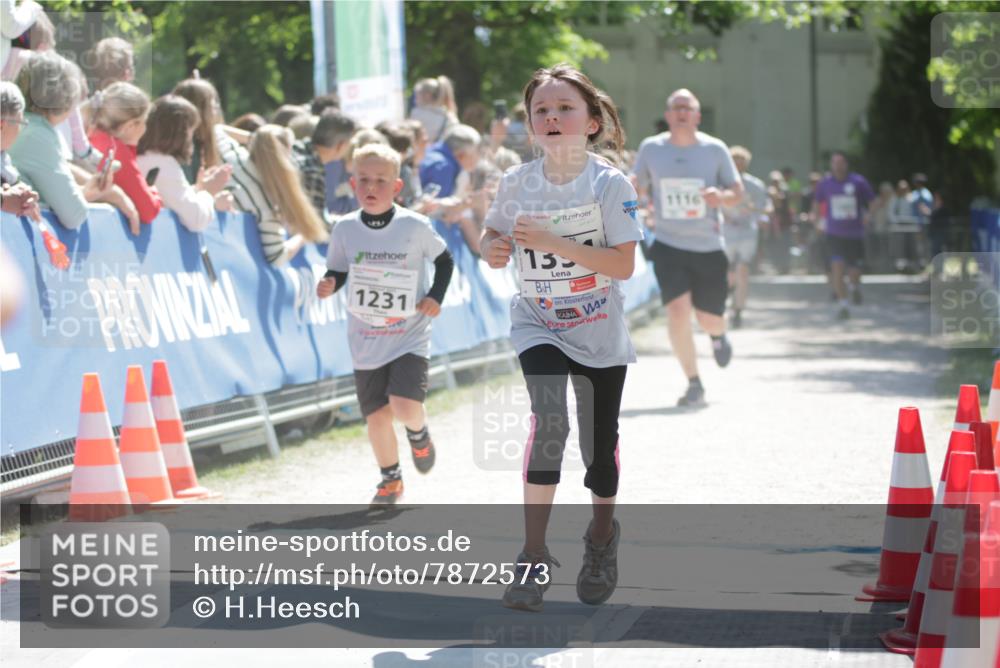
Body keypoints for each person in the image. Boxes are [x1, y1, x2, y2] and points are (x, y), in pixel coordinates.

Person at [481, 64, 642, 612]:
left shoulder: (609, 184)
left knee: (600, 448)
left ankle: (601, 537)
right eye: (541, 111)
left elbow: (622, 265)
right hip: (539, 321)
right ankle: (532, 556)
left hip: (598, 328)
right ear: (530, 125)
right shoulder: (516, 182)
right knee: (550, 423)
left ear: (592, 122)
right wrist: (492, 248)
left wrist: (554, 241)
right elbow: (493, 232)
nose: (551, 118)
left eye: (565, 108)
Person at [316, 143, 454, 508]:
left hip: (409, 333)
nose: (371, 187)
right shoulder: (345, 228)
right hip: (365, 336)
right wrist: (330, 283)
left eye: (380, 181)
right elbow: (338, 269)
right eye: (363, 180)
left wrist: (435, 297)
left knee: (404, 406)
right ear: (352, 184)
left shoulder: (414, 225)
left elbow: (445, 261)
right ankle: (391, 480)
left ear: (396, 187)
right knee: (377, 417)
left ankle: (418, 434)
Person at [632, 88, 743, 407]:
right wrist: (630, 189)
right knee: (678, 311)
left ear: (697, 116)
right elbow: (636, 185)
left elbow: (736, 191)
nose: (682, 112)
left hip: (708, 245)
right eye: (676, 107)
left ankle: (718, 335)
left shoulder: (715, 149)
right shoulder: (651, 148)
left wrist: (721, 197)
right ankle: (694, 382)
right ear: (668, 115)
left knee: (709, 318)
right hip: (669, 243)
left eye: (687, 107)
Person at [8, 52, 137, 233]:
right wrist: (101, 193)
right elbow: (74, 215)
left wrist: (89, 191)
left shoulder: (25, 126)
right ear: (66, 99)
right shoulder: (39, 135)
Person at [228, 124, 327, 265]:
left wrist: (259, 138)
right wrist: (302, 236)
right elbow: (277, 257)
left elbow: (216, 129)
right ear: (288, 152)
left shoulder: (233, 157)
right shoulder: (267, 203)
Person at [136, 95, 233, 232]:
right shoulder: (164, 165)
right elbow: (196, 219)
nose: (191, 139)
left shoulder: (146, 158)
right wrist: (207, 192)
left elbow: (174, 198)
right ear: (181, 133)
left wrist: (198, 188)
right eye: (191, 132)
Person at [811, 151, 875, 320]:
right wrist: (817, 221)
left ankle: (854, 288)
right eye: (835, 163)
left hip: (855, 233)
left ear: (846, 164)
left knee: (854, 271)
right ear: (831, 165)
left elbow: (873, 201)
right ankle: (843, 305)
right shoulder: (825, 184)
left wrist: (868, 215)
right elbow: (817, 203)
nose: (838, 166)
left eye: (841, 162)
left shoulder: (858, 181)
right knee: (837, 267)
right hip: (834, 234)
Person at [88, 82, 163, 224]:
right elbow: (148, 211)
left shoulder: (91, 137)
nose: (145, 128)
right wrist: (153, 191)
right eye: (144, 121)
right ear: (130, 125)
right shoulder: (116, 152)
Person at [722, 146, 771, 328]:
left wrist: (761, 216)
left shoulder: (754, 185)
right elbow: (714, 206)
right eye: (735, 162)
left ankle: (738, 309)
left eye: (741, 162)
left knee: (743, 269)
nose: (738, 165)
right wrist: (724, 216)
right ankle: (729, 292)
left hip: (747, 232)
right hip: (726, 233)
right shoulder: (721, 183)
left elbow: (764, 206)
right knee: (728, 270)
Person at [172, 78, 249, 181]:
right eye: (213, 105)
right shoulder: (184, 149)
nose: (216, 110)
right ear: (201, 109)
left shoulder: (201, 142)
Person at [291, 109, 357, 219]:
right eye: (350, 142)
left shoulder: (295, 149)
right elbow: (314, 222)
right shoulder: (312, 172)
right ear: (341, 145)